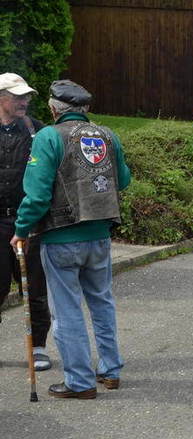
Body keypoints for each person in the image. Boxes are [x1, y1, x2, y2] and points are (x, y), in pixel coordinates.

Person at [11, 80, 131, 399]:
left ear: (54, 109)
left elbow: (37, 195)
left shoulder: (49, 136)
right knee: (102, 303)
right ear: (85, 108)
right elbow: (123, 179)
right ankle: (110, 370)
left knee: (66, 311)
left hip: (60, 238)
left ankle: (79, 382)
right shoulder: (108, 135)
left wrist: (21, 229)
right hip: (100, 235)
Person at [0, 73, 52, 371]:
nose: (24, 102)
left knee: (33, 288)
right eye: (18, 96)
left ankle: (38, 347)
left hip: (30, 222)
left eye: (26, 96)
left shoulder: (38, 132)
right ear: (1, 98)